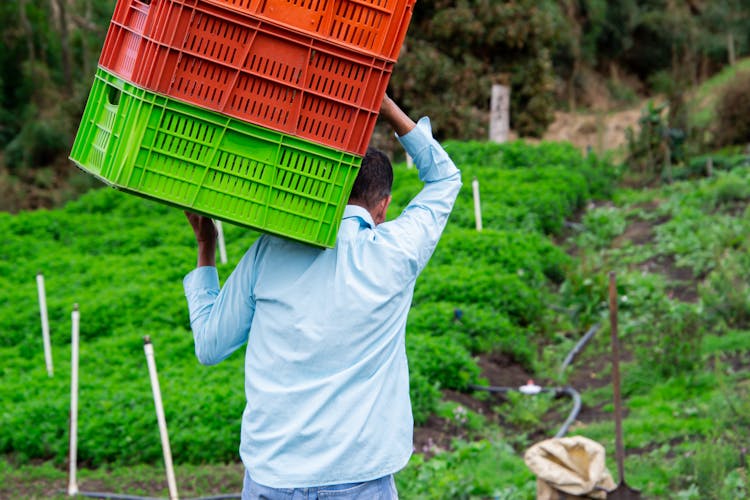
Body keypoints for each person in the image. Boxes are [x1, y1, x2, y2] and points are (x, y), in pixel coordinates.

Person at [183, 94, 462, 499]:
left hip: (273, 478)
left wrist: (206, 246)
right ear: (382, 206)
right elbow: (444, 179)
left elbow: (210, 345)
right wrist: (384, 105)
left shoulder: (269, 250)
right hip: (360, 477)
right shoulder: (396, 252)